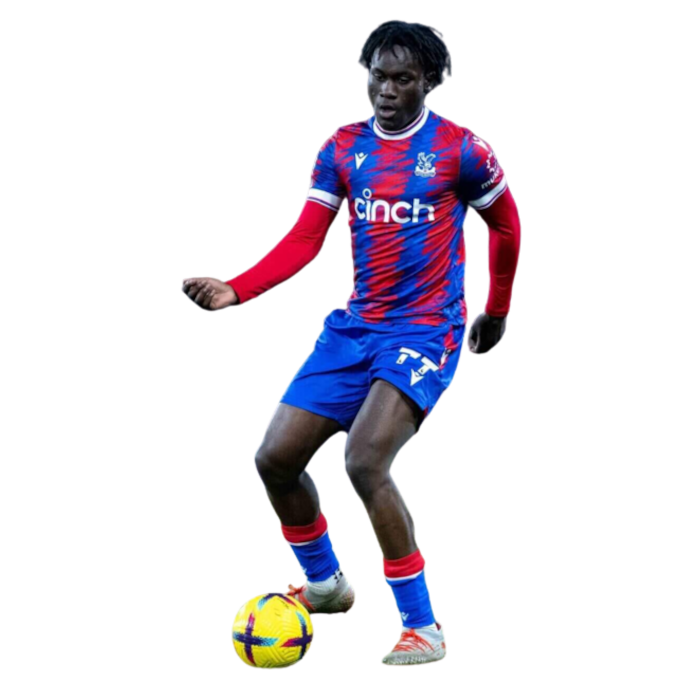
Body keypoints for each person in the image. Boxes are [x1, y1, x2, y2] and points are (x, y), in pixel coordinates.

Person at [181, 18, 521, 667]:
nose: (387, 90)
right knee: (274, 459)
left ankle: (423, 627)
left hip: (427, 328)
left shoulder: (462, 150)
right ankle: (327, 585)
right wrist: (238, 288)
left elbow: (504, 225)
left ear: (429, 81)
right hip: (355, 327)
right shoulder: (343, 148)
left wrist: (497, 310)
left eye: (402, 78)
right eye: (377, 77)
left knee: (364, 460)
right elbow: (306, 237)